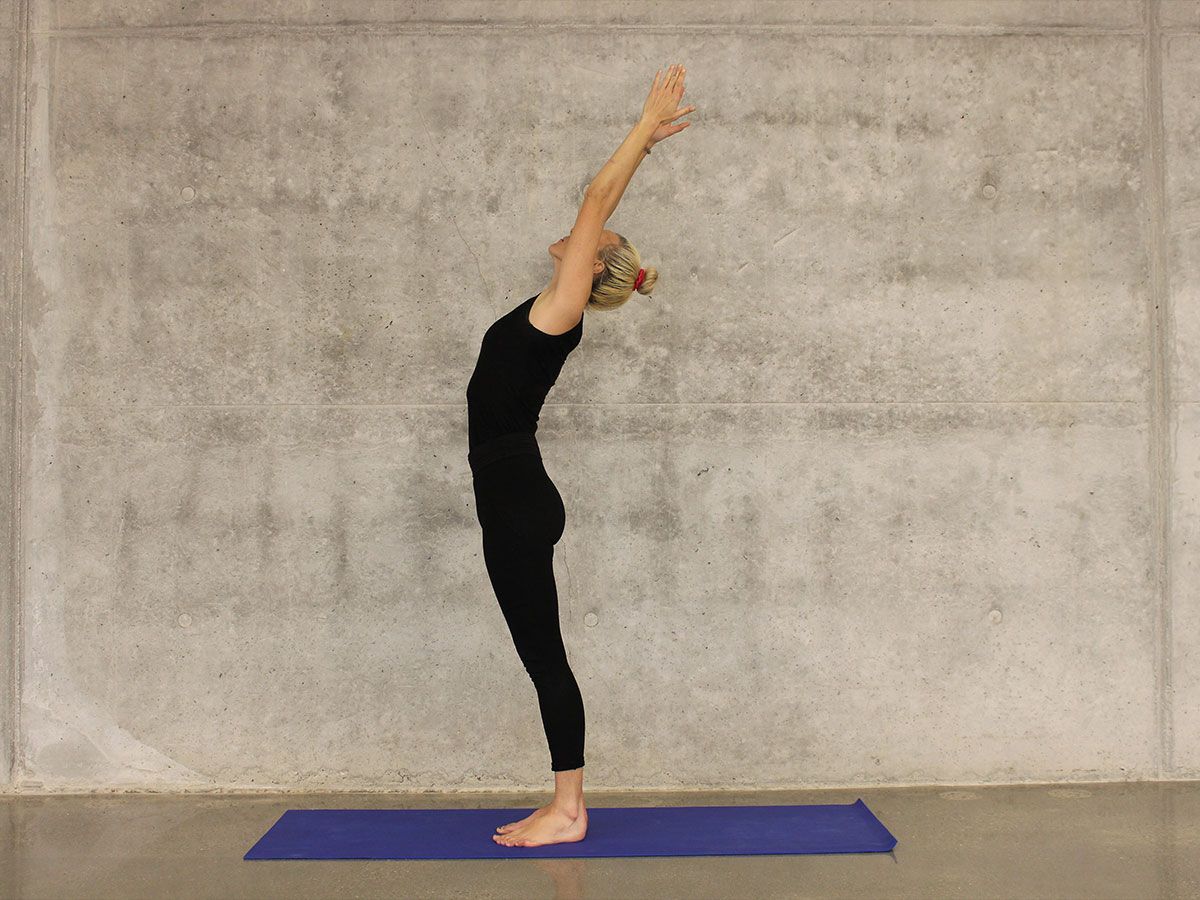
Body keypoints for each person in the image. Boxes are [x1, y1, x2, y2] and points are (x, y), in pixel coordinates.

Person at [466, 64, 695, 848]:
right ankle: (564, 803)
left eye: (591, 242)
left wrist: (641, 130)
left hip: (518, 498)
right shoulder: (550, 310)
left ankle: (569, 809)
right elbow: (593, 210)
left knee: (545, 662)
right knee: (542, 658)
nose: (577, 230)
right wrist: (644, 143)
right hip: (515, 493)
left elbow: (596, 202)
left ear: (593, 264)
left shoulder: (564, 309)